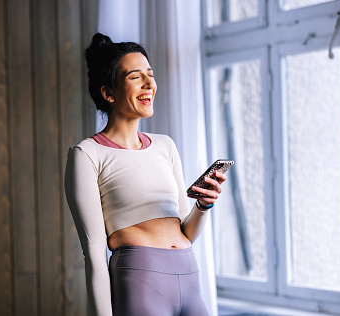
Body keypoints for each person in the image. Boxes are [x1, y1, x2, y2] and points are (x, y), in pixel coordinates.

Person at [64, 33, 227, 316]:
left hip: (189, 277)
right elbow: (94, 253)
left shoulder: (165, 145)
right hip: (141, 282)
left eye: (150, 75)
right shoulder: (87, 155)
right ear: (108, 93)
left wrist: (203, 205)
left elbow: (185, 233)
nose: (149, 83)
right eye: (135, 77)